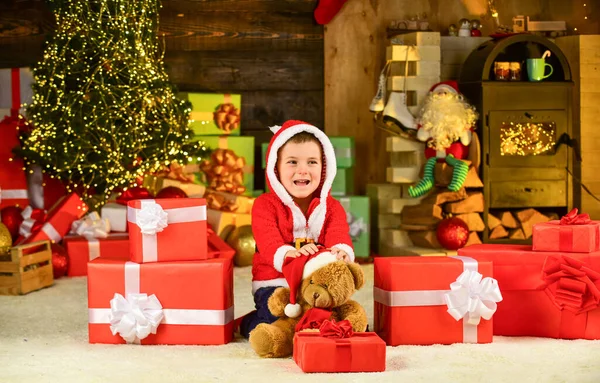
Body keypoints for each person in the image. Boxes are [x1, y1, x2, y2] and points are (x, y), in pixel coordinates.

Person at [240, 120, 355, 338]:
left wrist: (341, 250)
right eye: (292, 162)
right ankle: (250, 324)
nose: (302, 170)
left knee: (335, 314)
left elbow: (338, 233)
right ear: (276, 168)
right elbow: (268, 242)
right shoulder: (265, 205)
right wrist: (289, 254)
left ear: (324, 169)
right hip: (275, 282)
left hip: (317, 284)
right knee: (282, 315)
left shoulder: (331, 208)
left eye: (312, 162)